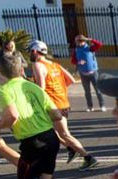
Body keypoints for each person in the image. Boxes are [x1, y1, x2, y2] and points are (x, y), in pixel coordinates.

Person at [27, 41, 99, 171]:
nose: (29, 55)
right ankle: (71, 149)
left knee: (64, 134)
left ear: (35, 51)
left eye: (30, 51)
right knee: (51, 132)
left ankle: (88, 158)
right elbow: (71, 80)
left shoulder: (37, 64)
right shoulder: (55, 65)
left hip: (52, 104)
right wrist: (59, 90)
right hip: (62, 102)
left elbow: (41, 87)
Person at [0, 51, 65, 179]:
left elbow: (12, 116)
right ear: (21, 70)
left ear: (0, 71)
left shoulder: (3, 90)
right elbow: (57, 115)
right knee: (45, 176)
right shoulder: (34, 87)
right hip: (51, 138)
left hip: (32, 143)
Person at [71, 35, 106, 112]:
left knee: (98, 90)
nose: (79, 43)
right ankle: (90, 106)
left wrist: (91, 39)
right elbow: (73, 61)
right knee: (87, 91)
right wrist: (79, 62)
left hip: (93, 72)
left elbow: (99, 45)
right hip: (83, 74)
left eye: (80, 41)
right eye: (77, 42)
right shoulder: (76, 50)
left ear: (84, 41)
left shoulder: (90, 48)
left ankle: (102, 105)